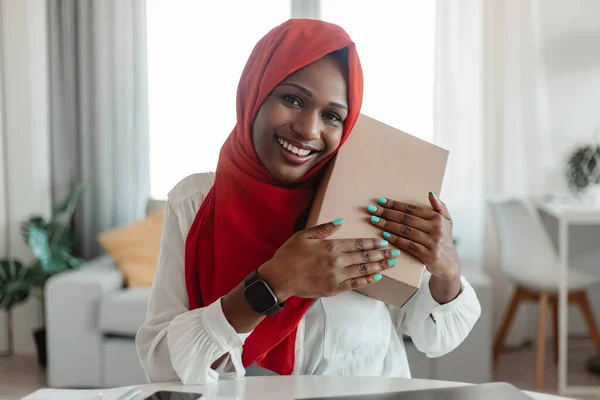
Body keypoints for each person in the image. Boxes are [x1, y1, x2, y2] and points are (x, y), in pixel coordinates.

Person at [136, 18, 481, 385]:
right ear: (255, 93)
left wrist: (447, 272)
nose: (309, 130)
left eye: (332, 116)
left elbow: (436, 339)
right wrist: (272, 283)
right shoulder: (196, 203)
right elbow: (162, 367)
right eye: (292, 99)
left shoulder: (368, 197)